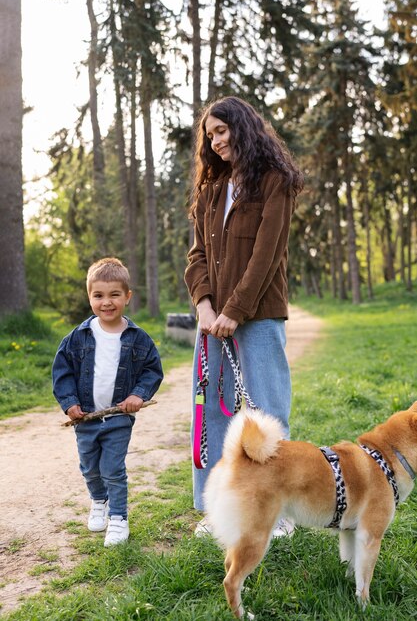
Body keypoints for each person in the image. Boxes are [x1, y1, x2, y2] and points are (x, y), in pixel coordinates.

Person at [184, 96, 303, 537]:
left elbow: (265, 255)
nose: (215, 142)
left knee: (266, 413)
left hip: (259, 317)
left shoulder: (275, 181)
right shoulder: (211, 190)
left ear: (244, 127)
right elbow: (196, 257)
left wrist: (235, 310)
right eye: (209, 135)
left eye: (221, 131)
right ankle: (219, 511)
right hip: (211, 322)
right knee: (213, 416)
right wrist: (206, 309)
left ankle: (277, 513)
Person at [52, 257, 163, 546]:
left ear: (127, 296)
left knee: (112, 468)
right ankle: (98, 500)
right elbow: (62, 372)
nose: (107, 302)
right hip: (85, 418)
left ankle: (118, 517)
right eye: (98, 295)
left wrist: (138, 394)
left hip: (117, 419)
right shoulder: (77, 338)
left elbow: (152, 369)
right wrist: (69, 402)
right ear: (89, 297)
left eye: (115, 294)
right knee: (89, 467)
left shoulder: (138, 339)